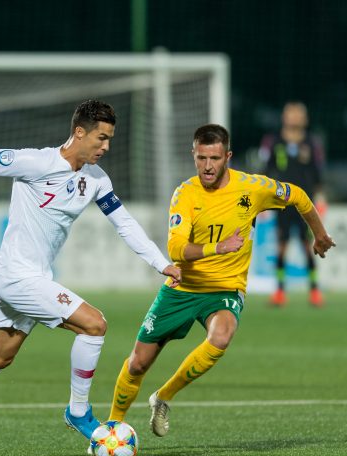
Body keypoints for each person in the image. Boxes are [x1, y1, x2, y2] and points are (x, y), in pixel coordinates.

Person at [0, 99, 181, 456]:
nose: (106, 146)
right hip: (17, 276)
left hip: (35, 277)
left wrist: (160, 263)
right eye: (101, 137)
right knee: (94, 325)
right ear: (79, 132)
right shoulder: (36, 163)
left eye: (110, 139)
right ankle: (78, 412)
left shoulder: (96, 180)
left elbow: (125, 224)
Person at [107, 124, 335, 437]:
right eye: (201, 158)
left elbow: (297, 196)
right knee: (137, 364)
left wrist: (319, 234)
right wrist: (219, 247)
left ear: (227, 156)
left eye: (214, 158)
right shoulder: (185, 193)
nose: (208, 166)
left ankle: (163, 397)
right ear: (194, 155)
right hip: (183, 288)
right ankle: (112, 426)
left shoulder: (252, 187)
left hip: (226, 289)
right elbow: (175, 248)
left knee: (223, 334)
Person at [259, 101, 327, 307]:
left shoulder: (312, 143)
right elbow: (266, 171)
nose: (295, 118)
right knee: (281, 245)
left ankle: (314, 290)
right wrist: (262, 200)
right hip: (282, 202)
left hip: (306, 203)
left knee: (309, 245)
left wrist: (321, 198)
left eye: (299, 114)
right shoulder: (274, 142)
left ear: (305, 119)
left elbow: (318, 174)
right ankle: (279, 290)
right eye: (292, 114)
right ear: (284, 117)